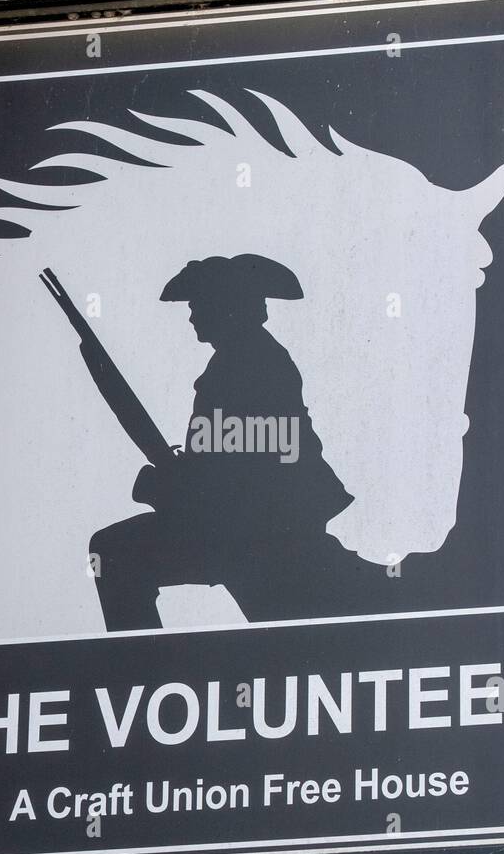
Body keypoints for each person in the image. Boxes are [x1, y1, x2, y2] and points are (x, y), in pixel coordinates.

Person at [90, 254, 356, 630]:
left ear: (227, 306)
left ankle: (142, 656)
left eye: (198, 305)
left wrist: (174, 482)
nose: (192, 316)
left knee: (113, 551)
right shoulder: (240, 359)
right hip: (241, 518)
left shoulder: (252, 362)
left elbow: (246, 460)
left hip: (254, 524)